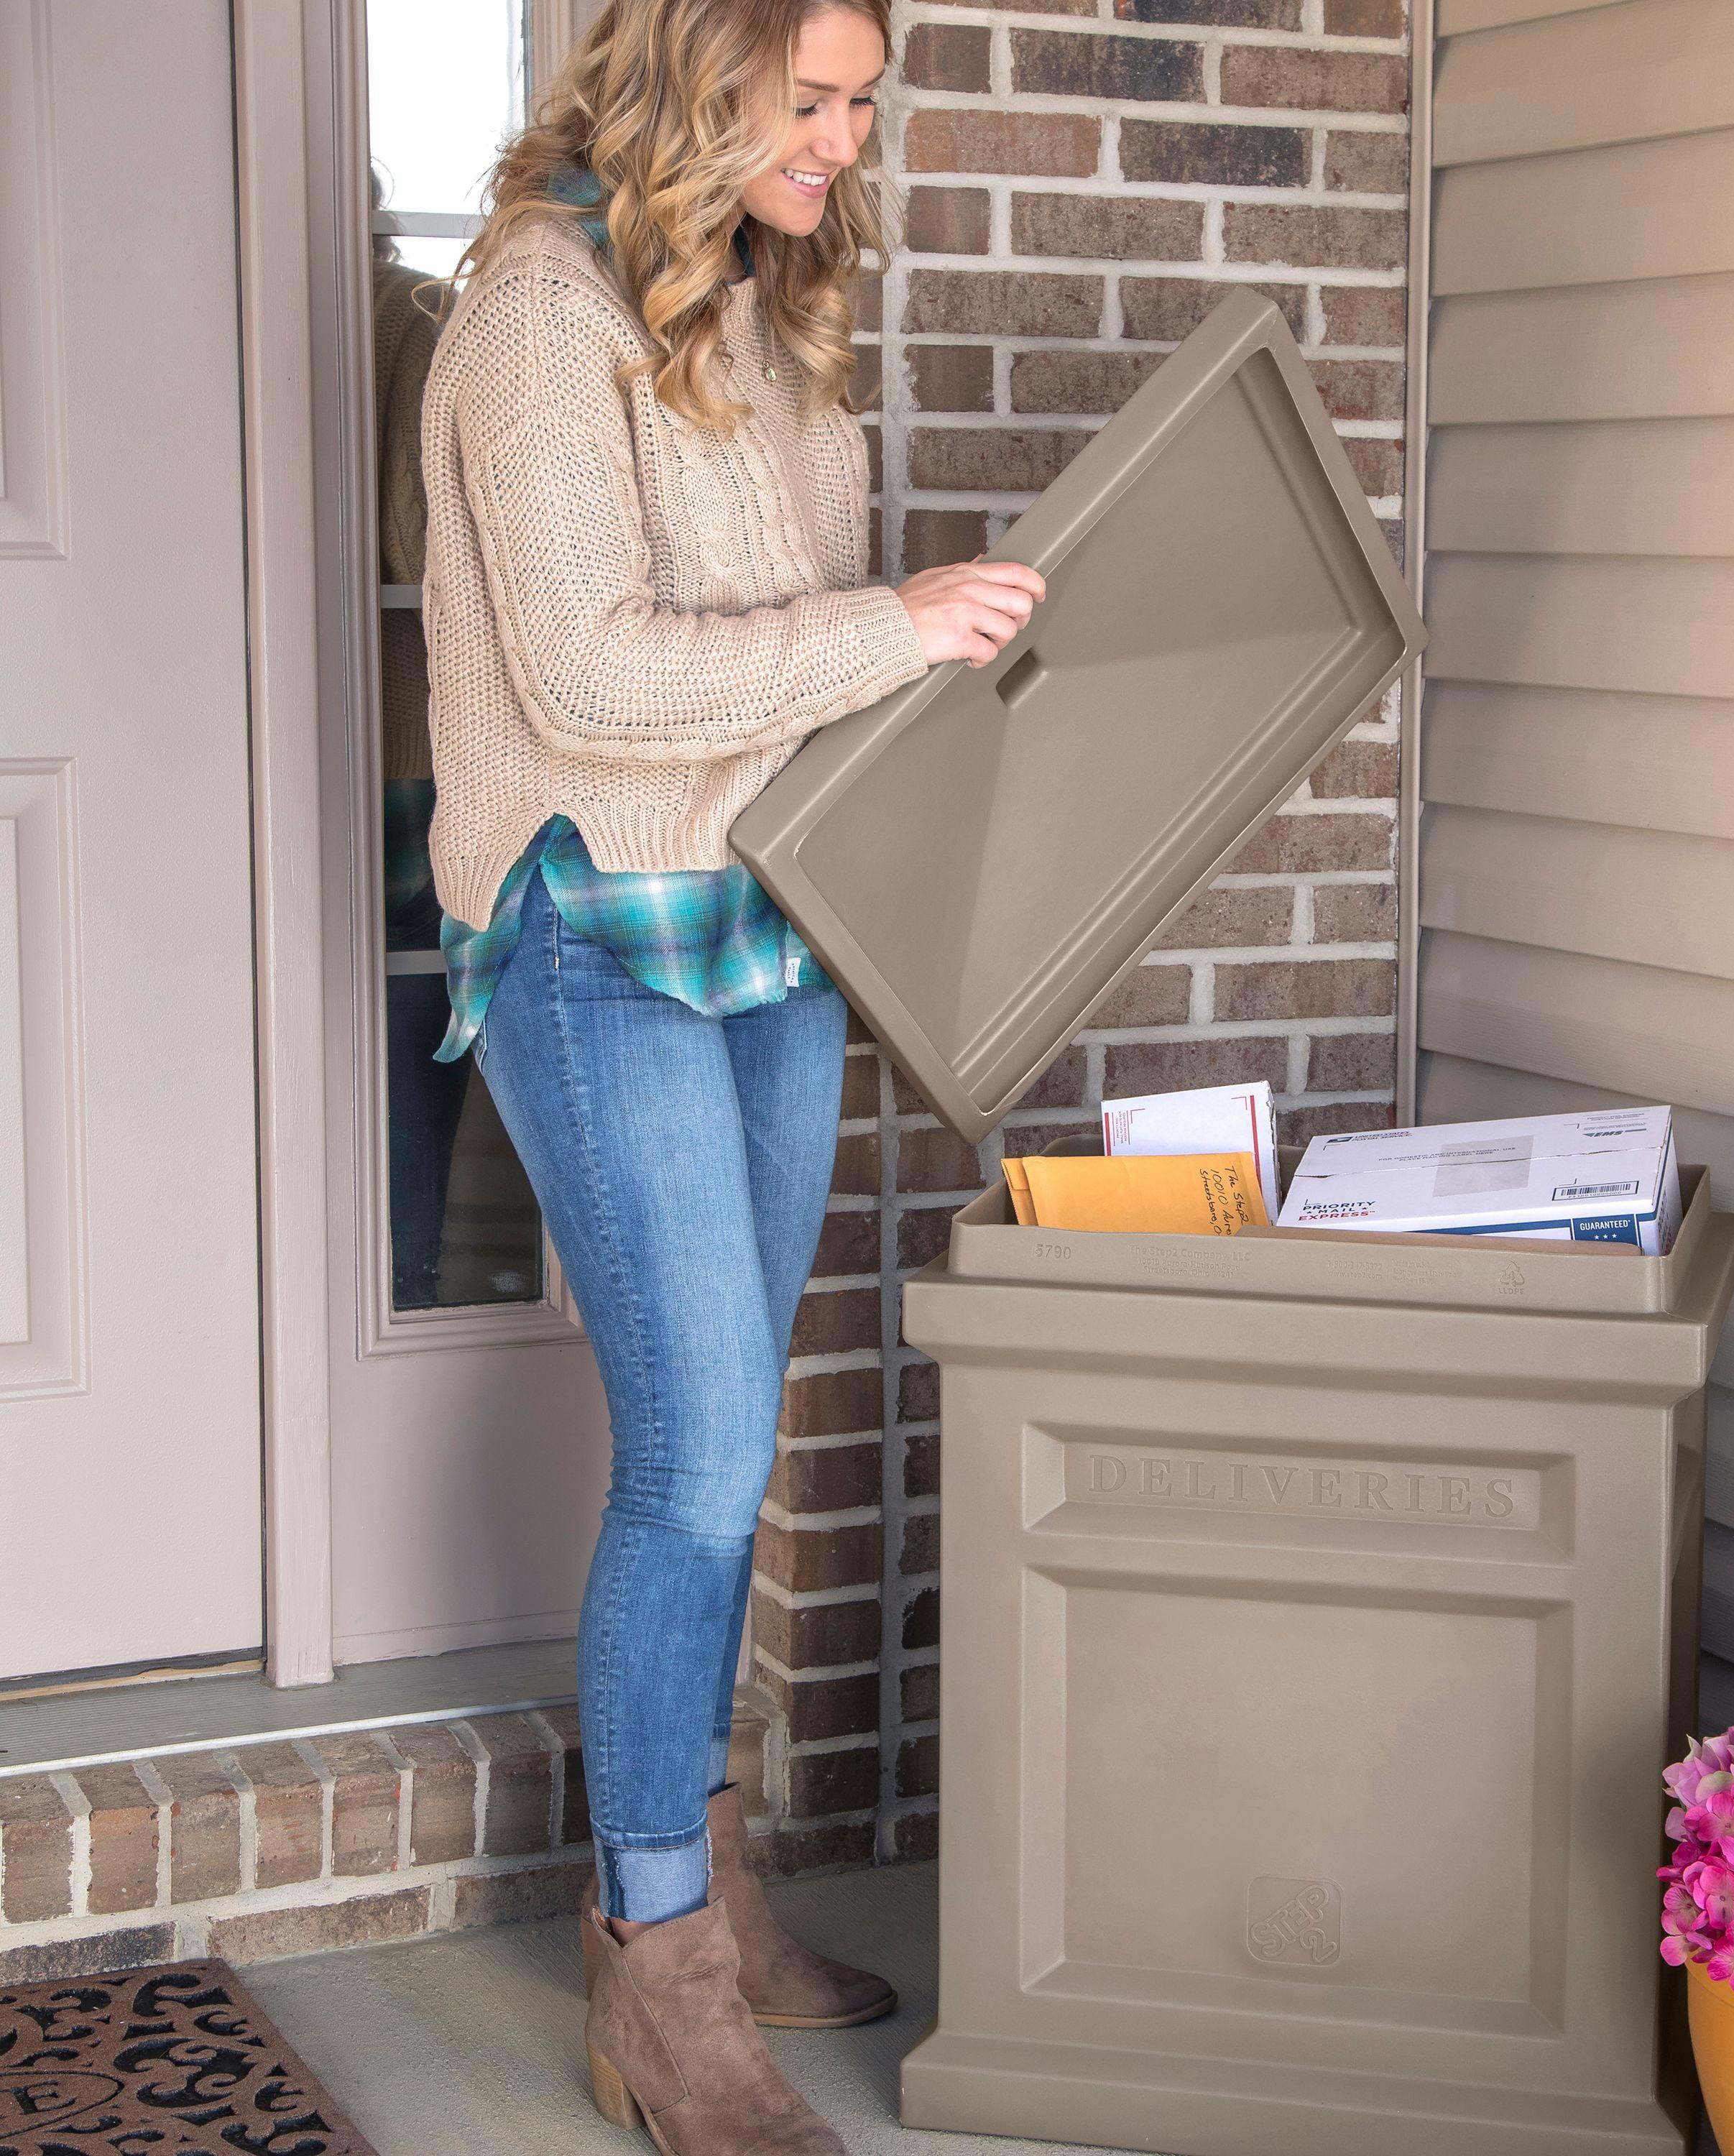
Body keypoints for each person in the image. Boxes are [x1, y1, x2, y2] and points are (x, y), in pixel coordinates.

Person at [418, 0, 1043, 2146]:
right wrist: (902, 625)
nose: (846, 140)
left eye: (865, 102)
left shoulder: (765, 313)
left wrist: (923, 685)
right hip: (599, 939)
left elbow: (787, 662)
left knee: (733, 1437)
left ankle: (718, 1872)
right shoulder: (531, 317)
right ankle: (655, 1967)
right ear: (700, 80)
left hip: (768, 931)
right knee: (694, 1457)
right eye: (813, 98)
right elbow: (589, 677)